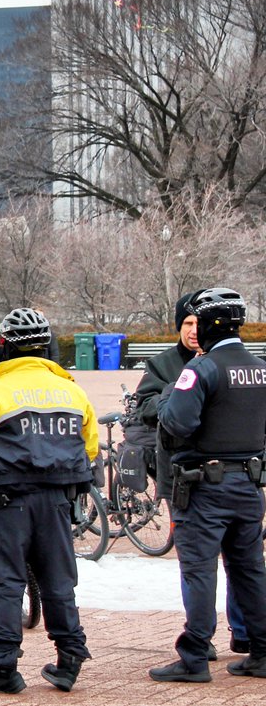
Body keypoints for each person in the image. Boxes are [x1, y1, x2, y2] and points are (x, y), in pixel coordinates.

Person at [0, 308, 97, 694]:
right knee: (58, 581)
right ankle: (69, 660)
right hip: (57, 502)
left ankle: (4, 669)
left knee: (6, 583)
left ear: (3, 347)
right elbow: (91, 448)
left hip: (8, 501)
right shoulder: (72, 391)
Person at [150, 287, 266, 683]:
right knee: (249, 570)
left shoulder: (201, 369)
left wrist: (167, 396)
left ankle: (194, 657)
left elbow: (177, 422)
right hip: (249, 485)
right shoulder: (260, 367)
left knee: (199, 571)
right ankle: (262, 653)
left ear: (212, 324)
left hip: (204, 488)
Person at [133, 292, 248, 658]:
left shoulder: (220, 363)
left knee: (234, 563)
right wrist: (177, 392)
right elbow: (146, 407)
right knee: (206, 565)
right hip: (182, 476)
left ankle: (234, 634)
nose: (194, 331)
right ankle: (208, 639)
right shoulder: (164, 364)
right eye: (187, 324)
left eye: (199, 324)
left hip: (219, 477)